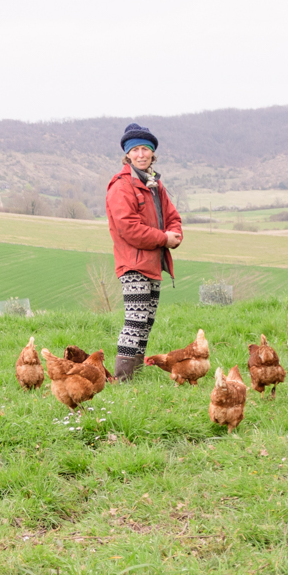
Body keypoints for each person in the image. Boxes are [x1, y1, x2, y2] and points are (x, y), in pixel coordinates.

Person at [104, 123, 183, 382]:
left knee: (146, 321)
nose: (141, 154)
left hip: (152, 262)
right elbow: (129, 229)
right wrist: (164, 238)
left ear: (152, 154)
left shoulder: (154, 184)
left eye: (145, 149)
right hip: (133, 264)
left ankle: (133, 375)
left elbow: (172, 216)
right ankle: (123, 379)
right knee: (135, 321)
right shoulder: (122, 186)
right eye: (135, 149)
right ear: (127, 155)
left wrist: (175, 234)